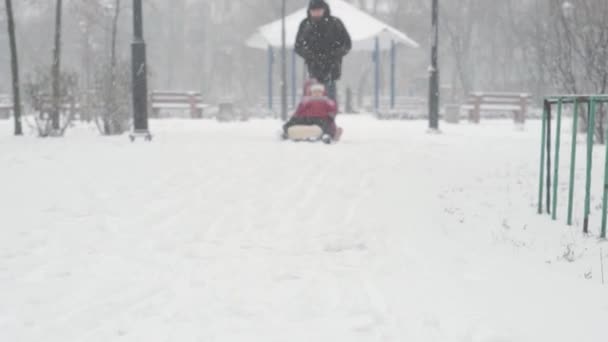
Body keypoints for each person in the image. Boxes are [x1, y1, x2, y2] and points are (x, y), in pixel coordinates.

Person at [295, 0, 352, 102]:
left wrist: (334, 54)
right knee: (314, 99)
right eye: (313, 11)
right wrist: (310, 55)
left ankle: (328, 115)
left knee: (329, 99)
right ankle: (317, 116)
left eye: (318, 10)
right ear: (309, 11)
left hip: (331, 68)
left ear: (324, 9)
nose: (316, 13)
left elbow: (346, 44)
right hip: (313, 69)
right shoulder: (305, 24)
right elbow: (298, 46)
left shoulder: (335, 23)